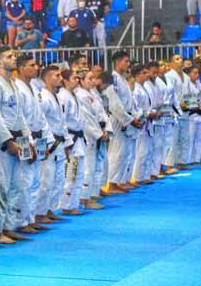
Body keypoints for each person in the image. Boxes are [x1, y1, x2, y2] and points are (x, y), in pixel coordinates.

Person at [0, 46, 30, 244]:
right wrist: (8, 141)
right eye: (10, 56)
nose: (14, 58)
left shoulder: (13, 84)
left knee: (15, 186)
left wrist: (28, 142)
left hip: (17, 140)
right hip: (2, 144)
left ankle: (9, 226)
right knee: (0, 187)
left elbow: (20, 118)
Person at [14, 55, 48, 234]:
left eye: (36, 64)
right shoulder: (17, 89)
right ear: (21, 68)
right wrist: (30, 143)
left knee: (36, 180)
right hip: (25, 138)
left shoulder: (35, 87)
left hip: (38, 136)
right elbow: (20, 119)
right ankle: (21, 221)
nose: (37, 67)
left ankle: (31, 218)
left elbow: (41, 116)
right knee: (25, 180)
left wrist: (46, 141)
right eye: (32, 65)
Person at [107, 52, 143, 191]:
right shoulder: (113, 79)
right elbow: (115, 104)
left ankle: (121, 180)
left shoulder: (122, 78)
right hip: (118, 120)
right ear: (117, 62)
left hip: (127, 118)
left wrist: (135, 117)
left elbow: (129, 102)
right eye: (126, 61)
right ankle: (111, 183)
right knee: (117, 151)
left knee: (126, 152)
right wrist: (129, 120)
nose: (128, 64)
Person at [36, 65, 67, 223]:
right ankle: (39, 213)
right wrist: (44, 145)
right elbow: (39, 122)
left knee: (57, 179)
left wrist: (67, 143)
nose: (60, 78)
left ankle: (48, 209)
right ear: (47, 78)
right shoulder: (42, 96)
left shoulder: (57, 97)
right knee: (45, 180)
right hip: (47, 144)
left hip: (59, 142)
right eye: (57, 75)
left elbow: (62, 123)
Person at [74, 67, 106, 209]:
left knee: (96, 167)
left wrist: (106, 130)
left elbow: (103, 113)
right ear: (81, 81)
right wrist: (99, 134)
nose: (93, 81)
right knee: (88, 168)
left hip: (99, 132)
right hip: (89, 135)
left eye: (94, 78)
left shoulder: (92, 93)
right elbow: (87, 119)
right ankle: (85, 199)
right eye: (89, 78)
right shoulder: (80, 95)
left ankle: (92, 194)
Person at [57, 69, 87, 215]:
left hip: (79, 139)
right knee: (71, 174)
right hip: (71, 140)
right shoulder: (63, 96)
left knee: (79, 173)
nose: (77, 79)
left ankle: (73, 204)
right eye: (74, 77)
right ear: (65, 80)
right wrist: (67, 142)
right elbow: (61, 121)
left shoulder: (74, 95)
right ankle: (67, 206)